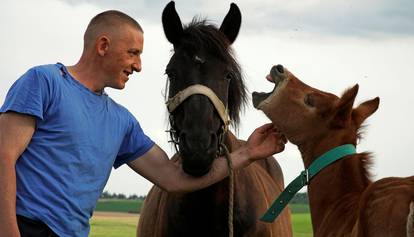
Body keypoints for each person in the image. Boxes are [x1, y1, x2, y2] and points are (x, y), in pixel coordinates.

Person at [0, 10, 286, 237]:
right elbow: (3, 157)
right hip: (24, 227)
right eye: (133, 53)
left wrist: (248, 153)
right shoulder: (44, 82)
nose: (138, 66)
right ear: (103, 46)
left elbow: (172, 179)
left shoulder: (121, 122)